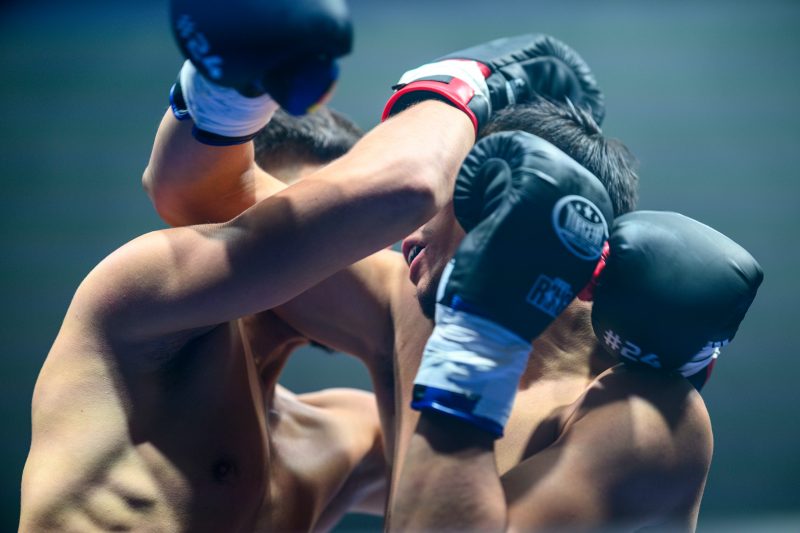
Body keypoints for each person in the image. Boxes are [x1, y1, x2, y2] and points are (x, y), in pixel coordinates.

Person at [20, 2, 594, 531]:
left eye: (344, 223)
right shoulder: (137, 303)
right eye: (312, 217)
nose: (340, 241)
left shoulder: (345, 433)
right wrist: (465, 83)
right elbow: (401, 189)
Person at [390, 131, 763, 531]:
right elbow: (318, 221)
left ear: (500, 196)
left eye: (451, 189)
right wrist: (446, 95)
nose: (405, 235)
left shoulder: (648, 413)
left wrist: (477, 343)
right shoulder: (420, 302)